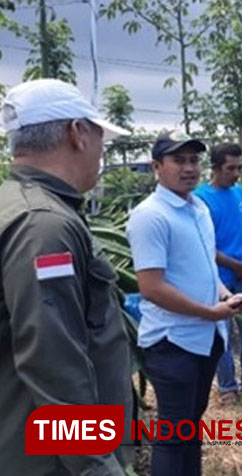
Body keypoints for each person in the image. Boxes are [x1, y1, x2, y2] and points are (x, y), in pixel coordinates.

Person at [0, 79, 133, 475]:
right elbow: (52, 359)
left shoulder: (16, 205)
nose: (101, 150)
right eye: (99, 136)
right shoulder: (44, 226)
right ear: (77, 133)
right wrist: (96, 466)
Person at [126, 133, 242, 476]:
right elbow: (151, 288)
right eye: (178, 160)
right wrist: (210, 311)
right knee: (173, 433)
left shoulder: (197, 208)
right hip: (172, 341)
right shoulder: (150, 216)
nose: (189, 168)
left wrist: (225, 295)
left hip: (205, 337)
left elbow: (205, 266)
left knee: (190, 427)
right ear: (156, 167)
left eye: (194, 160)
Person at [194, 143, 242, 405]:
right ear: (215, 168)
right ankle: (227, 386)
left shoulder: (240, 193)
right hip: (218, 275)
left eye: (239, 168)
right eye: (230, 168)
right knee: (223, 331)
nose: (236, 174)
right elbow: (203, 245)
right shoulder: (201, 199)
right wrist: (232, 264)